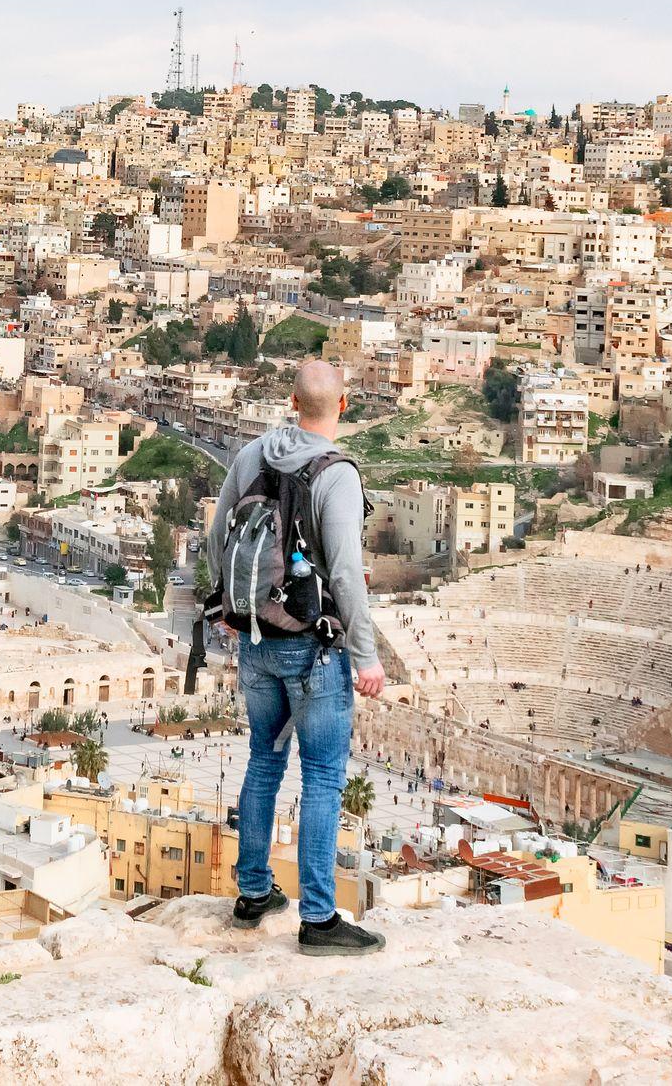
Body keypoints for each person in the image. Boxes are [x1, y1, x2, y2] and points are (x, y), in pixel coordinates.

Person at [204, 358, 385, 955]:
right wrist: (367, 657)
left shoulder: (252, 454)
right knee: (324, 778)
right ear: (344, 405)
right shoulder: (337, 473)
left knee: (263, 762)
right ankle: (317, 917)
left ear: (290, 400)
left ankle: (254, 892)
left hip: (256, 642)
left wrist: (234, 609)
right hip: (314, 651)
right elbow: (348, 576)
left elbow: (216, 538)